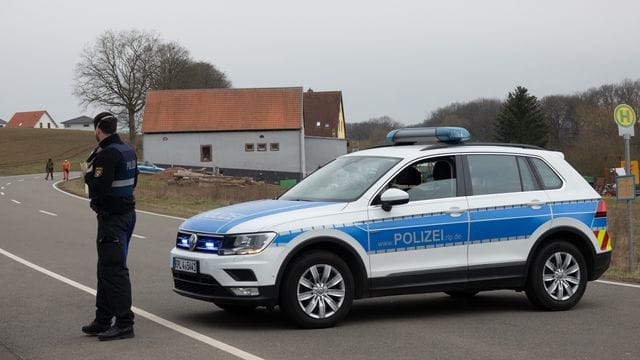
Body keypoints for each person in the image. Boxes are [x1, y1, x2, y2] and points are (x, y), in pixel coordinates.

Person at [81, 112, 138, 341]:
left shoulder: (106, 155)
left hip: (112, 219)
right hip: (127, 214)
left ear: (97, 129)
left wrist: (87, 176)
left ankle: (125, 323)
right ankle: (102, 319)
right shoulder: (128, 150)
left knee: (113, 269)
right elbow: (134, 180)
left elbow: (98, 189)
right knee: (106, 268)